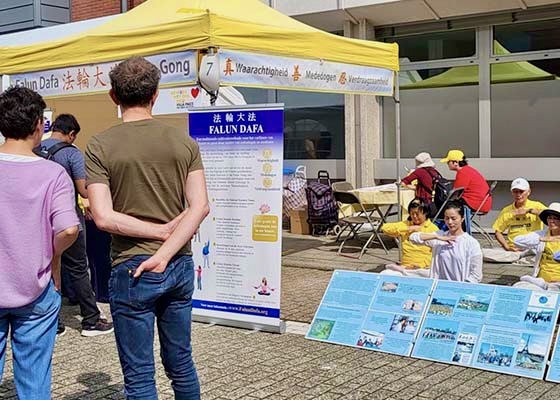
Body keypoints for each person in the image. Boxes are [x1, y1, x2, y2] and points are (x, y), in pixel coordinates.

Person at [86, 56, 209, 399]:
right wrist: (166, 243)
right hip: (179, 265)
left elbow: (103, 217)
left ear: (113, 96)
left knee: (140, 376)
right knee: (181, 362)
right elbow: (200, 206)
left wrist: (156, 241)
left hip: (131, 266)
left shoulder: (99, 146)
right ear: (156, 94)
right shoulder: (183, 142)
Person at [0, 86, 79, 398]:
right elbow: (69, 229)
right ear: (38, 125)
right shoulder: (53, 173)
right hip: (36, 286)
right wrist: (52, 253)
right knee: (34, 381)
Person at [40, 113, 114, 337]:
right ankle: (91, 320)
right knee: (79, 268)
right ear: (71, 134)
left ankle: (53, 323)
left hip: (41, 222)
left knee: (48, 269)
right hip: (68, 222)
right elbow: (84, 189)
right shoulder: (71, 153)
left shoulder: (34, 149)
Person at [410, 201, 483, 283]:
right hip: (438, 286)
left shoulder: (471, 243)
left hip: (459, 288)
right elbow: (413, 238)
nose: (450, 222)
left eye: (453, 218)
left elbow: (476, 275)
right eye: (447, 218)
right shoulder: (440, 236)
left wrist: (462, 288)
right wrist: (437, 237)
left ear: (462, 218)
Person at [483, 178, 546, 263]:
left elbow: (551, 214)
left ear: (529, 192)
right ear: (512, 192)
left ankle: (522, 258)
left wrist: (529, 211)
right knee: (483, 253)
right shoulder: (507, 210)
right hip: (514, 250)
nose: (518, 194)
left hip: (532, 248)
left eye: (521, 191)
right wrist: (507, 247)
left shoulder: (536, 205)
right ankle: (519, 258)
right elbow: (498, 232)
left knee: (541, 252)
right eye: (515, 191)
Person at [381, 199, 439, 277]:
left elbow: (437, 254)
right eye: (412, 214)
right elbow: (385, 228)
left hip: (423, 268)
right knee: (385, 275)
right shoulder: (407, 224)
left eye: (417, 214)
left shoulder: (433, 229)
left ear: (425, 213)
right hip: (405, 267)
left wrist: (421, 265)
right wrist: (409, 229)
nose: (414, 217)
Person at [512, 203, 560, 291]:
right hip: (541, 281)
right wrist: (542, 239)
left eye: (556, 218)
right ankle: (547, 288)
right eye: (549, 218)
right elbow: (517, 241)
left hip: (558, 282)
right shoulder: (542, 234)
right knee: (518, 286)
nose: (551, 221)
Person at [441, 149, 492, 231]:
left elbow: (455, 194)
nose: (447, 164)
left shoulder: (463, 173)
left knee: (448, 206)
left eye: (448, 162)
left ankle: (453, 231)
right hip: (482, 202)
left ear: (455, 162)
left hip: (474, 203)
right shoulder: (468, 170)